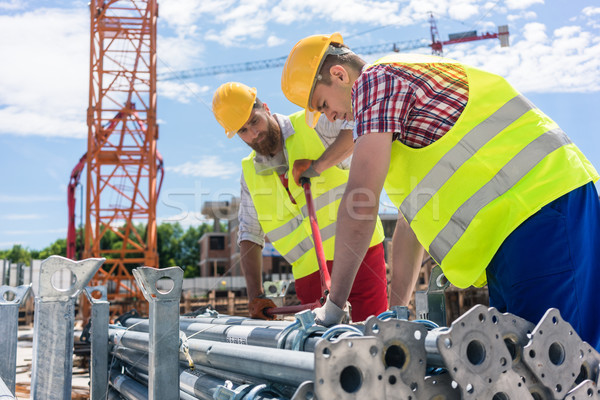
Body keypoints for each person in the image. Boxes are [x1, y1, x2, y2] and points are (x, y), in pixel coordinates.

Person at [280, 33, 600, 351]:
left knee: (558, 366)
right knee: (531, 366)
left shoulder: (376, 80)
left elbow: (359, 200)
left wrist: (333, 307)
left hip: (539, 212)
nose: (330, 117)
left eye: (323, 105)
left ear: (338, 74)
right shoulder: (397, 103)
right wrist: (396, 314)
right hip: (523, 225)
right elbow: (411, 226)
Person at [211, 82, 389, 321]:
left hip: (361, 258)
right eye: (243, 131)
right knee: (322, 351)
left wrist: (319, 165)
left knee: (374, 336)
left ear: (265, 107)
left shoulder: (313, 123)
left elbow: (358, 127)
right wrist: (255, 295)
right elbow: (249, 235)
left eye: (254, 121)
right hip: (309, 277)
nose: (253, 134)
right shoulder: (249, 173)